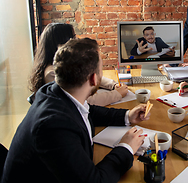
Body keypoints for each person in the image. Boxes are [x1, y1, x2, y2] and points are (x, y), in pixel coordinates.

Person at [2, 38, 149, 183]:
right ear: (93, 79)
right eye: (101, 70)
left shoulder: (54, 91)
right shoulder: (53, 126)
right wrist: (126, 147)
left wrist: (127, 116)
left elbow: (88, 111)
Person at [29, 22, 127, 106]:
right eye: (73, 37)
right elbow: (85, 100)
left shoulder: (64, 63)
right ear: (62, 43)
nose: (76, 41)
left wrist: (112, 85)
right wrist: (117, 94)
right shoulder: (52, 74)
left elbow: (86, 76)